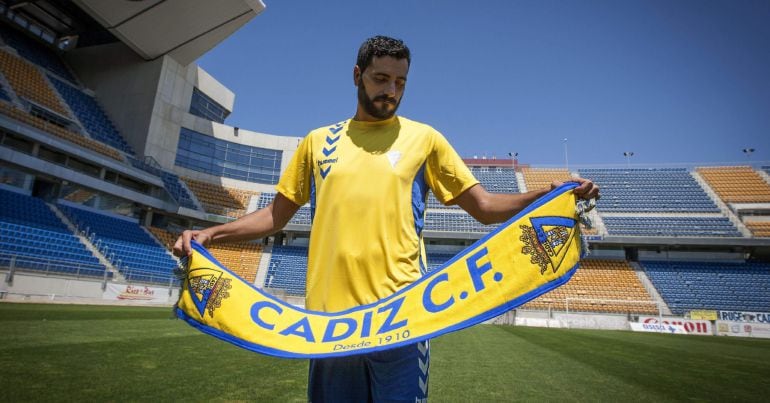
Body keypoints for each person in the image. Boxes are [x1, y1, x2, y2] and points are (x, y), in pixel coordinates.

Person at [174, 35, 599, 402]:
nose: (391, 91)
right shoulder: (317, 142)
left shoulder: (425, 139)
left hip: (402, 317)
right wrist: (212, 233)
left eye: (400, 82)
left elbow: (485, 208)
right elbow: (273, 217)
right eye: (381, 79)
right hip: (328, 326)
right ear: (357, 74)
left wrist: (550, 193)